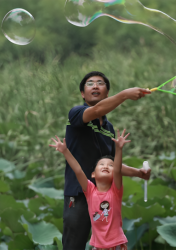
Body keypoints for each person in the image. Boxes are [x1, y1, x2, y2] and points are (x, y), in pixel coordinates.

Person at [62, 71, 152, 249]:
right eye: (90, 83)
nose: (95, 85)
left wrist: (139, 173)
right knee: (74, 245)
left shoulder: (109, 128)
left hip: (104, 197)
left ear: (107, 92)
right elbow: (96, 110)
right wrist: (125, 94)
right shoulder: (77, 113)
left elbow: (112, 164)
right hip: (79, 193)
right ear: (82, 94)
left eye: (100, 83)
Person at [50, 128, 131, 250]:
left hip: (116, 244)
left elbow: (119, 170)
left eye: (110, 165)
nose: (106, 166)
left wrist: (119, 148)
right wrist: (65, 151)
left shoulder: (115, 191)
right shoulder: (90, 191)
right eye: (102, 164)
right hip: (97, 246)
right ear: (93, 174)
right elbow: (78, 170)